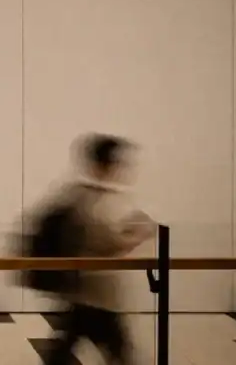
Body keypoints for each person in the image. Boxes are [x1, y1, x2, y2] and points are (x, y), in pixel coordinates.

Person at [44, 134, 156, 365]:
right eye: (118, 162)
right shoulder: (96, 201)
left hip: (83, 291)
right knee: (119, 353)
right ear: (106, 164)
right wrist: (138, 233)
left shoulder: (79, 193)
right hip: (98, 293)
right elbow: (108, 245)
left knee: (65, 350)